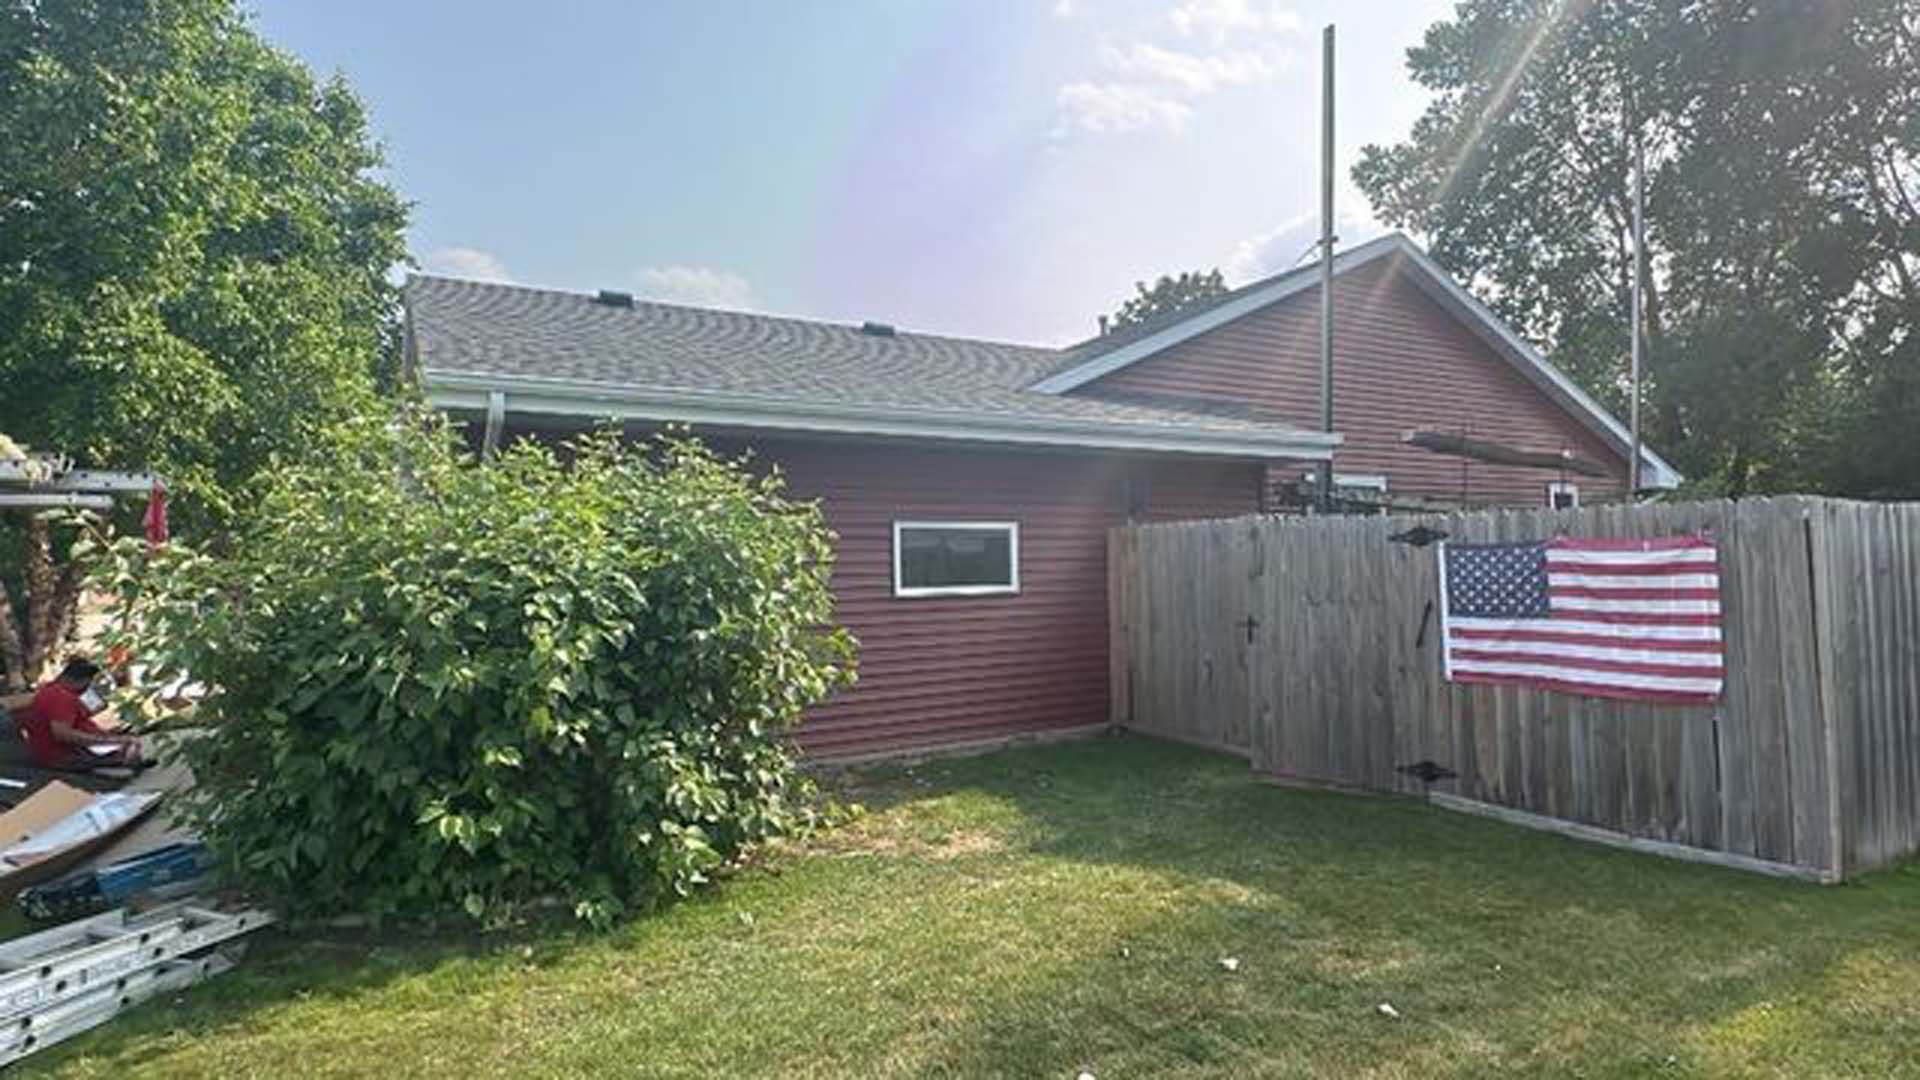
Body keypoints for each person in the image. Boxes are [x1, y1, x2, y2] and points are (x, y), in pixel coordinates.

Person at [13, 659, 142, 769]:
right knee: (130, 747)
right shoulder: (61, 697)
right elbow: (63, 734)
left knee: (128, 742)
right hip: (64, 755)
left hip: (76, 748)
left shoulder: (52, 689)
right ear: (81, 681)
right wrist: (107, 740)